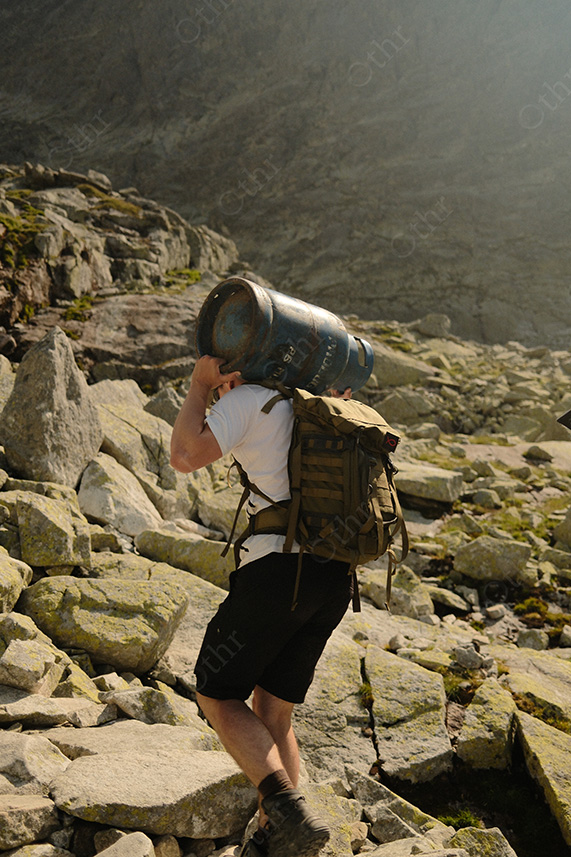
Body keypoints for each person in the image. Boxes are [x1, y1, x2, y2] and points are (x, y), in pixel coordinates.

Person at [170, 355, 354, 857]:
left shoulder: (251, 400)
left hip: (277, 572)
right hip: (334, 575)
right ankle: (282, 840)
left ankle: (288, 812)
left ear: (236, 370)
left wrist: (198, 388)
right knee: (274, 709)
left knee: (215, 690)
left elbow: (184, 455)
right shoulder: (314, 404)